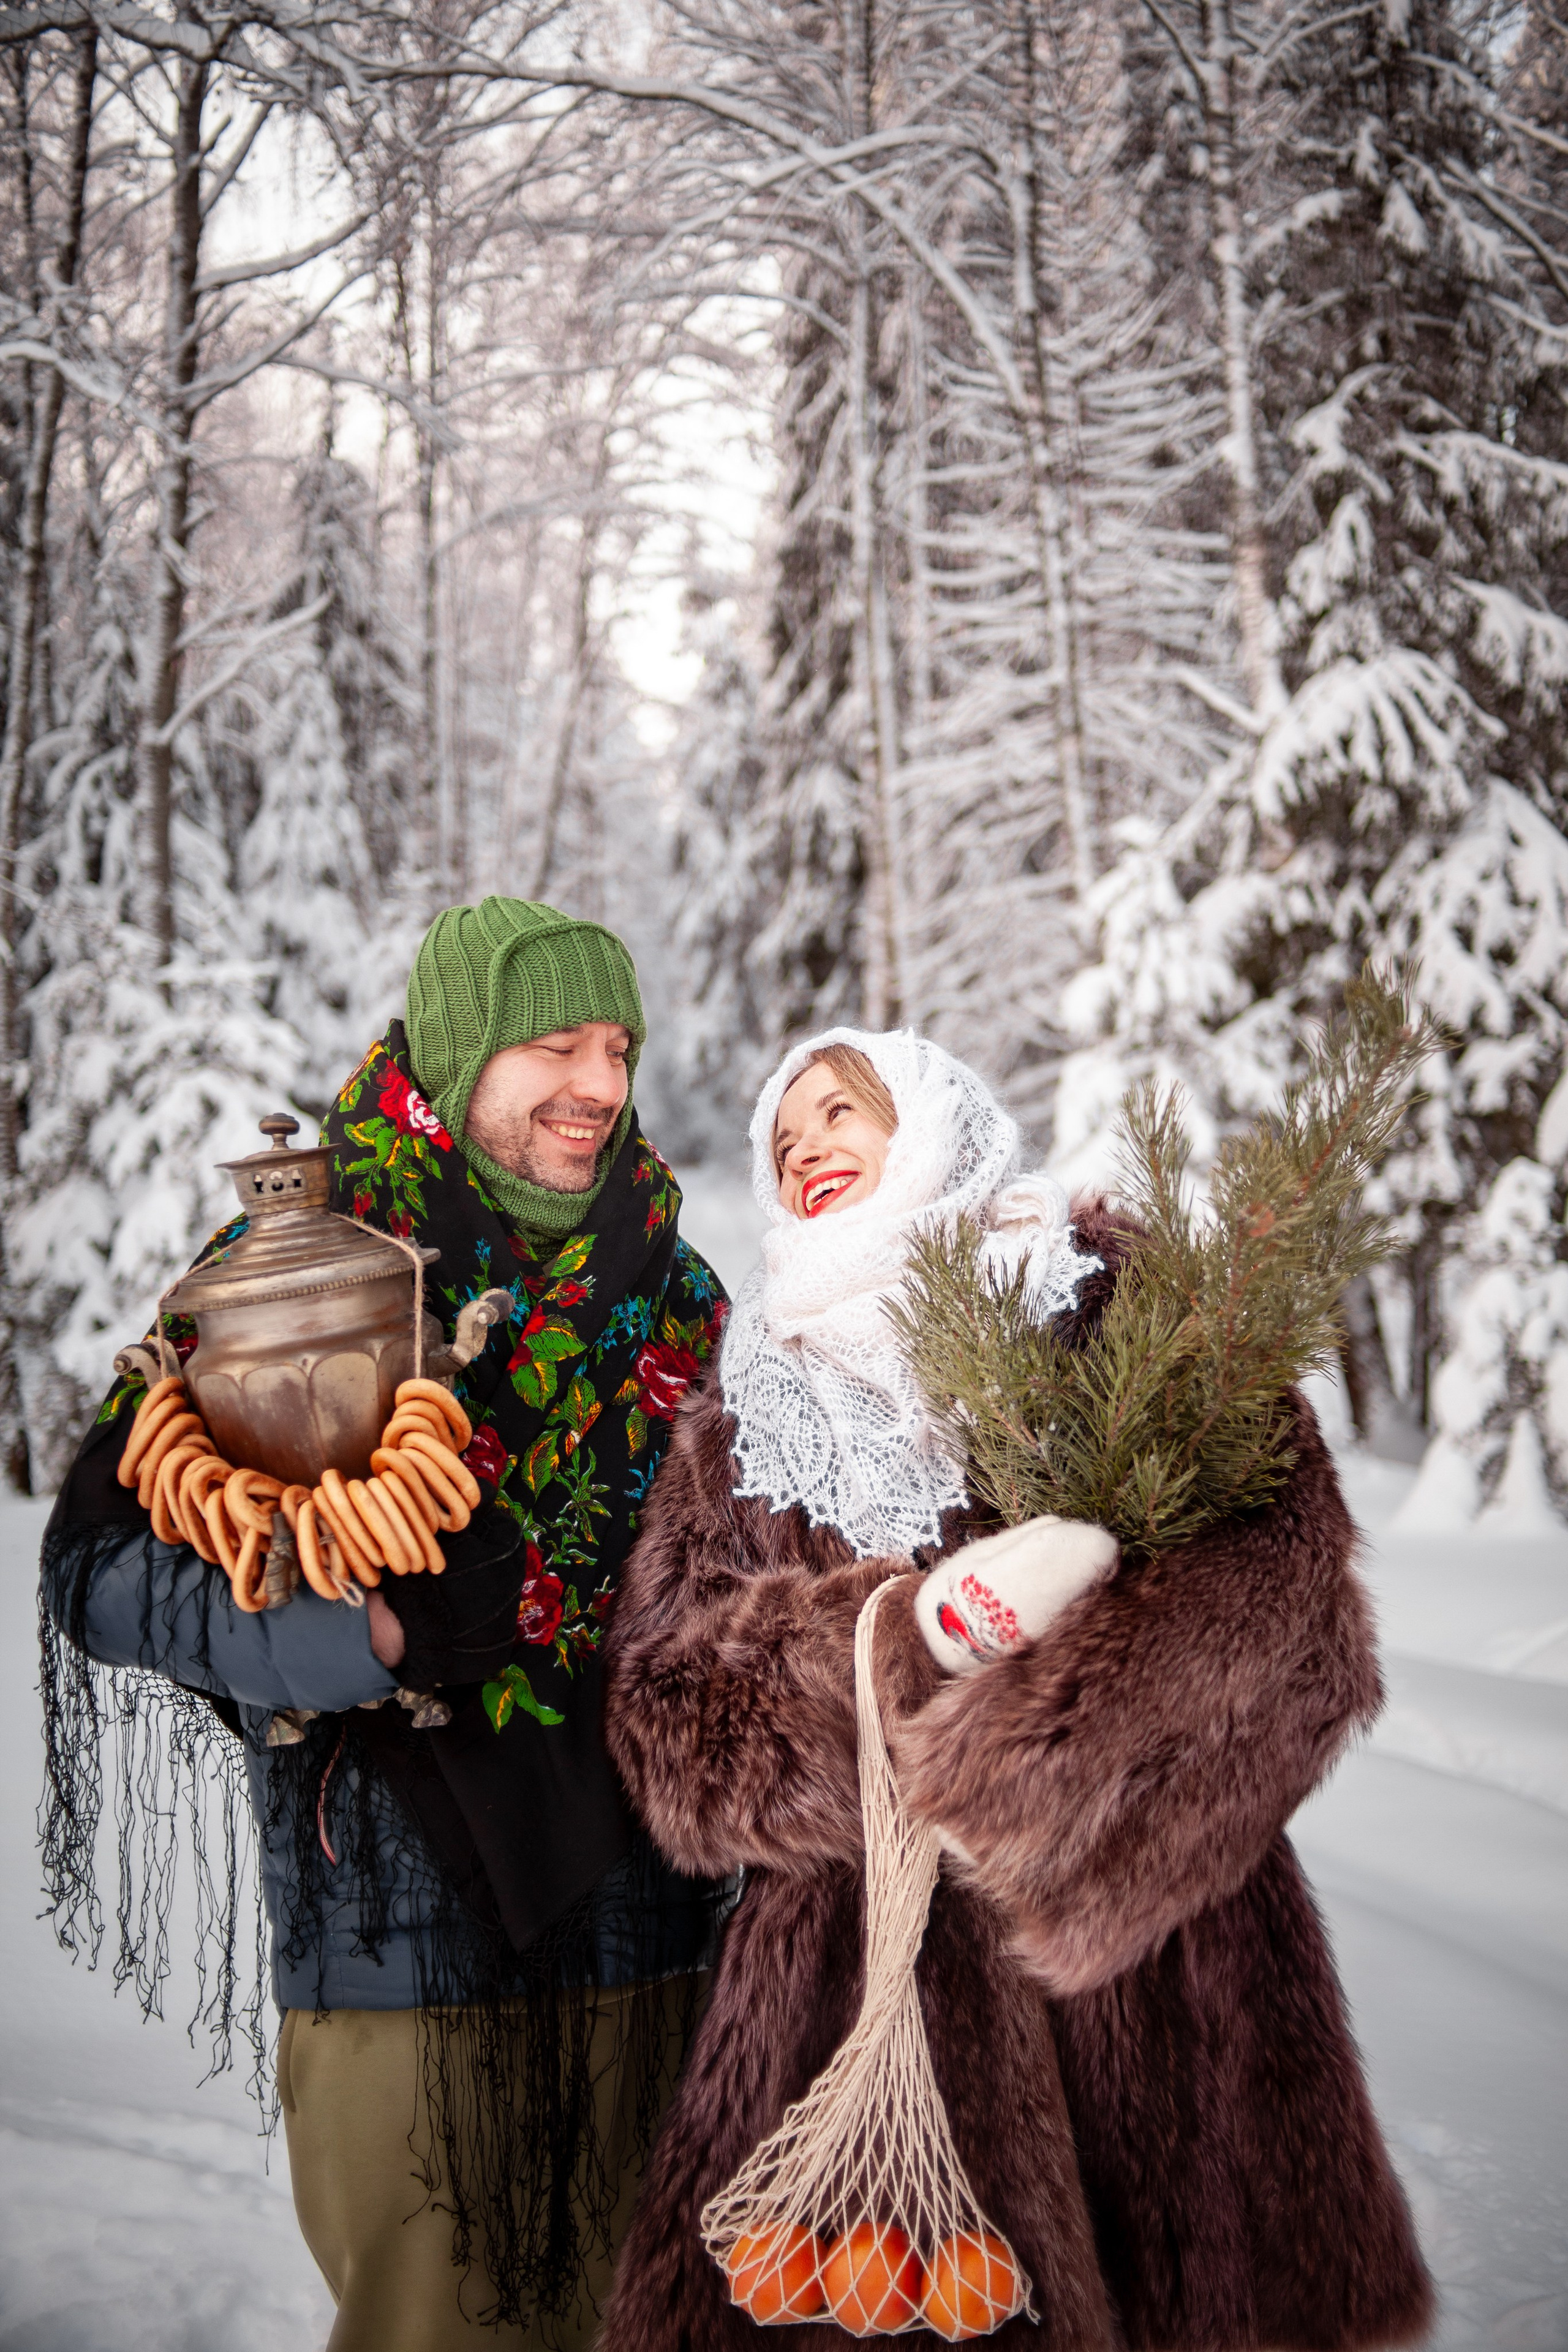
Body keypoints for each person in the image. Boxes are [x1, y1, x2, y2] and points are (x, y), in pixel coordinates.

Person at [600, 1025, 1434, 2349]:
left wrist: (1043, 1770)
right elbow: (667, 1715)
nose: (805, 1145)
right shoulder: (744, 1410)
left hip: (1155, 1974)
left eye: (837, 1110)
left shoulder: (1101, 1299)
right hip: (864, 2013)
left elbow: (1293, 1614)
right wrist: (896, 1646)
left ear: (926, 1115)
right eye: (780, 1138)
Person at [39, 897, 729, 2351]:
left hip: (668, 1949)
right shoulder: (296, 1266)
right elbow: (94, 1571)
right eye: (554, 1043)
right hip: (401, 1949)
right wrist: (370, 1635)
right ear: (463, 1047)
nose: (599, 1083)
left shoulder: (674, 1290)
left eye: (617, 1045)